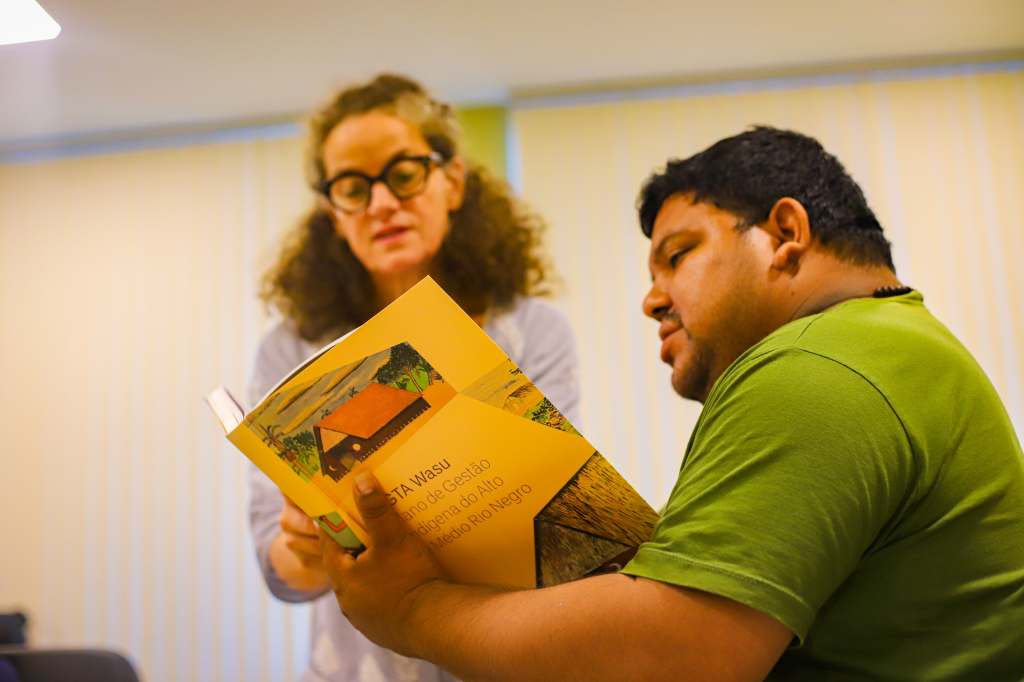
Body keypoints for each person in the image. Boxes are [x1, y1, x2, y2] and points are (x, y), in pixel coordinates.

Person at [316, 126, 1024, 681]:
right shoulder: (885, 346)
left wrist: (411, 610)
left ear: (785, 234)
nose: (652, 299)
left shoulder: (816, 364)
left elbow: (680, 654)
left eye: (678, 255)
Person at [248, 73, 580, 682]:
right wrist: (304, 544)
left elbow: (555, 516)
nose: (380, 204)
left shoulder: (533, 331)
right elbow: (281, 572)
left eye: (403, 174)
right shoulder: (292, 349)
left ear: (452, 181)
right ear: (332, 212)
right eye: (353, 188)